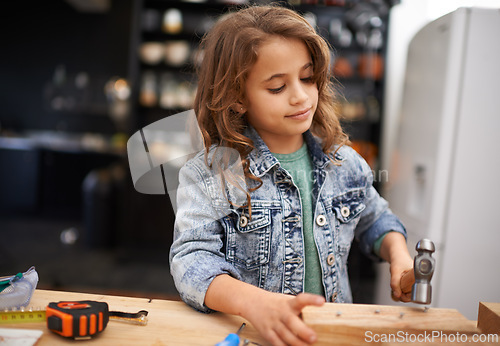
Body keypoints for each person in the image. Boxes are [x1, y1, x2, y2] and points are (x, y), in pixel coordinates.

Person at [170, 4, 413, 345]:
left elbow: (376, 220)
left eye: (307, 77)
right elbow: (191, 260)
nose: (300, 96)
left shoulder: (343, 162)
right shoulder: (211, 174)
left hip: (330, 335)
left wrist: (399, 256)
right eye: (277, 88)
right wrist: (255, 304)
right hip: (253, 336)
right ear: (237, 98)